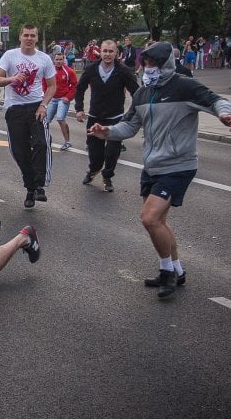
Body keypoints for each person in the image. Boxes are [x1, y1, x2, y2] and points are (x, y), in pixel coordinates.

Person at [88, 42, 231, 298]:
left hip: (179, 165)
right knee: (158, 223)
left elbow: (215, 100)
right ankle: (177, 268)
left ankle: (167, 272)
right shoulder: (143, 93)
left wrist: (224, 114)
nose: (148, 69)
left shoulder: (183, 86)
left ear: (165, 65)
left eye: (153, 64)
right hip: (152, 165)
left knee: (149, 218)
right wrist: (107, 131)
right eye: (145, 64)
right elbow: (129, 126)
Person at [0, 24, 56, 208]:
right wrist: (12, 79)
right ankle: (30, 188)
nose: (29, 38)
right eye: (26, 35)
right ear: (20, 36)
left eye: (33, 35)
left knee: (41, 144)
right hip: (15, 109)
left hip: (35, 107)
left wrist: (44, 105)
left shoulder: (44, 59)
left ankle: (39, 186)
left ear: (37, 38)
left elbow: (52, 86)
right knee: (19, 152)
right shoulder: (10, 56)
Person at [74, 39, 139, 192]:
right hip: (95, 117)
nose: (108, 54)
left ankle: (107, 176)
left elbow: (136, 92)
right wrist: (79, 109)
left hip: (115, 119)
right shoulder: (91, 69)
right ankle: (93, 170)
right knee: (95, 153)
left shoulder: (123, 71)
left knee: (112, 153)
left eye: (111, 51)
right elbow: (80, 88)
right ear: (100, 52)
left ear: (116, 53)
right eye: (105, 51)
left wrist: (133, 113)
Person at [43, 52, 77, 151]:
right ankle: (44, 139)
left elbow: (74, 86)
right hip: (52, 99)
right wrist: (46, 95)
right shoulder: (50, 70)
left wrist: (68, 97)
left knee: (60, 118)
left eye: (60, 59)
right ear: (54, 60)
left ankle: (67, 142)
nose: (58, 61)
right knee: (45, 121)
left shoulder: (69, 71)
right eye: (57, 59)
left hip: (63, 99)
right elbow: (44, 83)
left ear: (64, 60)